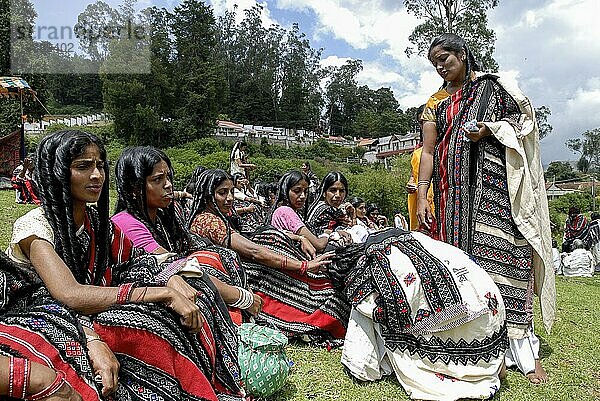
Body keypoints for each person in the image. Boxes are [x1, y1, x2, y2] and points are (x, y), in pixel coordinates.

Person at [6, 131, 245, 400]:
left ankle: (208, 378)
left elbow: (136, 260)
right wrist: (162, 293)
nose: (96, 175)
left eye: (100, 166)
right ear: (57, 172)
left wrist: (169, 277)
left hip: (85, 307)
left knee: (191, 290)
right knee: (144, 323)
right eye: (83, 167)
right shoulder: (35, 227)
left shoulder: (96, 223)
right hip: (44, 315)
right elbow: (68, 294)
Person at [416, 33, 555, 384]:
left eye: (444, 57)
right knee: (461, 271)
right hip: (451, 202)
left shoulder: (493, 88)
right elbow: (430, 152)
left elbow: (523, 124)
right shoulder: (434, 105)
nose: (440, 65)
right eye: (434, 61)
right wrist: (422, 197)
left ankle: (522, 350)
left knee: (507, 259)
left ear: (463, 54)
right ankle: (476, 343)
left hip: (493, 195)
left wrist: (489, 130)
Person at [340, 229, 507, 400]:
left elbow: (376, 308)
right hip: (489, 305)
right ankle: (489, 364)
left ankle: (473, 367)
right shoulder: (424, 242)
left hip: (462, 316)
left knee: (367, 303)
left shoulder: (368, 267)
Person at [111, 146, 262, 325]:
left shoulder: (162, 219)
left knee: (215, 257)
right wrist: (241, 296)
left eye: (168, 177)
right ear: (134, 188)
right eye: (158, 179)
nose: (168, 185)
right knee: (203, 267)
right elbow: (176, 268)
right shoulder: (126, 223)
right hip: (151, 297)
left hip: (198, 285)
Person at [186, 169, 342, 341]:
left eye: (231, 192)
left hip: (239, 273)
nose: (230, 198)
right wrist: (304, 266)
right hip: (232, 280)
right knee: (314, 294)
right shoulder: (209, 221)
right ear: (208, 196)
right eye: (222, 193)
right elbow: (255, 252)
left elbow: (254, 235)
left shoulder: (217, 217)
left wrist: (298, 237)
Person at [406, 105, 434, 230]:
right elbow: (413, 175)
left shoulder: (443, 147)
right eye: (421, 122)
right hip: (418, 197)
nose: (424, 125)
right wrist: (410, 183)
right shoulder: (418, 151)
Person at [306, 171, 353, 239]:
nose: (338, 195)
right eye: (333, 190)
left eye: (341, 191)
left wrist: (352, 216)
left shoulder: (336, 210)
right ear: (324, 192)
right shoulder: (323, 210)